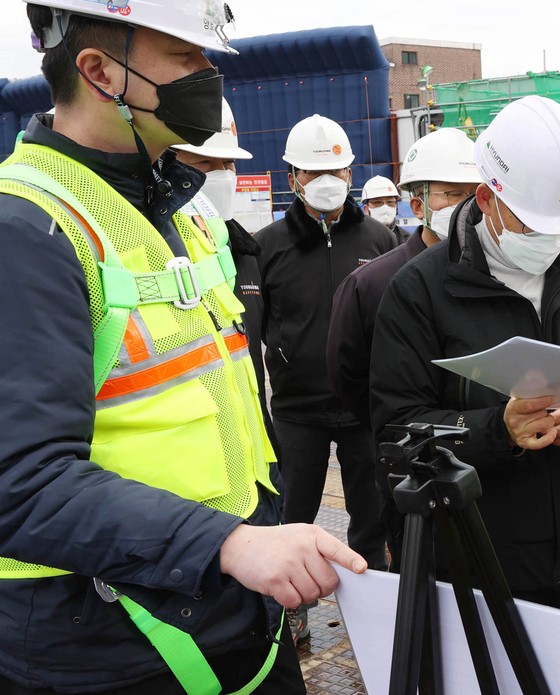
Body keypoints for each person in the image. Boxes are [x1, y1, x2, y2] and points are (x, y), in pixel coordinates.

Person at [0, 3, 367, 692]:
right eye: (187, 57)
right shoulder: (27, 228)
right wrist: (229, 542)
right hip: (112, 647)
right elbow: (19, 483)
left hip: (223, 613)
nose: (210, 75)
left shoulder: (176, 210)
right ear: (99, 71)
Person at [369, 95, 560, 625]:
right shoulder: (420, 291)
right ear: (486, 198)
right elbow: (395, 435)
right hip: (481, 566)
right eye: (536, 223)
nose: (552, 239)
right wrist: (499, 430)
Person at [257, 113, 398, 638]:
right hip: (298, 411)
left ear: (351, 171)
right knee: (293, 516)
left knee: (372, 514)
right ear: (291, 176)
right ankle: (291, 613)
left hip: (364, 406)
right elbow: (254, 327)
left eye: (337, 169)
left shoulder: (379, 239)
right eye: (314, 171)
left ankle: (375, 611)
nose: (326, 180)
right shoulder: (267, 246)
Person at [327, 127, 482, 571]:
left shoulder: (494, 274)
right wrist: (398, 423)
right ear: (417, 205)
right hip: (411, 467)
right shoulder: (373, 283)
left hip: (483, 459)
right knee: (424, 584)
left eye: (477, 193)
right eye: (454, 194)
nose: (469, 206)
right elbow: (348, 374)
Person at [171, 97, 276, 449]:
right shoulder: (156, 255)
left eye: (228, 163)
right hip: (192, 450)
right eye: (204, 162)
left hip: (252, 442)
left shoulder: (245, 253)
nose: (222, 174)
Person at [361, 174, 403, 240]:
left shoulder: (408, 241)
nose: (385, 207)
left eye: (390, 202)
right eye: (377, 202)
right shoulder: (357, 239)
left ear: (396, 207)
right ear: (366, 209)